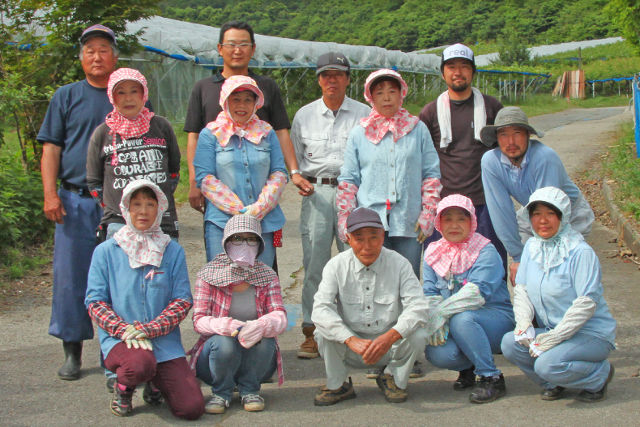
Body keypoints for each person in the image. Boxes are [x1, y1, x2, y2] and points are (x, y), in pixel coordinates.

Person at [37, 24, 118, 380]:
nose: (97, 56)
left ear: (114, 56)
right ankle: (72, 349)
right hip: (74, 200)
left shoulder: (128, 94)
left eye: (103, 49)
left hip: (118, 202)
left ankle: (112, 348)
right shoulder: (66, 95)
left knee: (118, 275)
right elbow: (51, 148)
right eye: (90, 50)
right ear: (81, 58)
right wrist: (50, 193)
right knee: (72, 277)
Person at [85, 180, 204, 419]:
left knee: (191, 408)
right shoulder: (106, 251)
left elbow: (182, 300)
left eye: (150, 204)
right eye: (136, 204)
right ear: (126, 208)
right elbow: (95, 301)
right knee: (140, 364)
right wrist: (123, 329)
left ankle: (156, 383)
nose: (143, 211)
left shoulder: (171, 250)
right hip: (122, 339)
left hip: (163, 342)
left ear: (159, 208)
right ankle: (124, 389)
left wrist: (149, 329)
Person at [501, 187, 616, 402]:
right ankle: (554, 382)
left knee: (547, 364)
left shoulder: (580, 252)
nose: (543, 220)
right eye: (536, 214)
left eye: (550, 214)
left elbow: (586, 303)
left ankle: (598, 376)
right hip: (552, 329)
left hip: (589, 334)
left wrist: (555, 337)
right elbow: (522, 289)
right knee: (510, 343)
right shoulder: (533, 247)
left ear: (562, 216)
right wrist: (524, 323)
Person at [290, 51, 370, 359]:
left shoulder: (364, 113)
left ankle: (360, 327)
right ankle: (313, 329)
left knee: (358, 261)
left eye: (338, 74)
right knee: (315, 264)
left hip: (356, 194)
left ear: (349, 79)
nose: (331, 80)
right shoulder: (304, 115)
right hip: (318, 193)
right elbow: (295, 158)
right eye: (325, 74)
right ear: (319, 79)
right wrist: (296, 177)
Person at [312, 207, 430, 406]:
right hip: (351, 346)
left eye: (373, 237)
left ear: (383, 237)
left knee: (419, 332)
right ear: (348, 239)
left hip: (389, 345)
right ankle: (338, 384)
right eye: (359, 238)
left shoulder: (400, 264)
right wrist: (349, 339)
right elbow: (320, 309)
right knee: (322, 332)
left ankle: (392, 377)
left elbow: (418, 306)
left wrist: (390, 336)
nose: (367, 246)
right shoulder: (336, 265)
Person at [337, 68, 442, 277]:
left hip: (409, 221)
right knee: (371, 280)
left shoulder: (417, 129)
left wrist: (428, 213)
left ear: (401, 93)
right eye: (379, 92)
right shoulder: (360, 133)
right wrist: (345, 219)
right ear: (370, 97)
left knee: (407, 278)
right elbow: (348, 181)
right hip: (370, 223)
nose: (386, 98)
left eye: (392, 91)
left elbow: (431, 174)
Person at [184, 20, 297, 213]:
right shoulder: (203, 88)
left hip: (262, 192)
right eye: (231, 44)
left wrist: (294, 172)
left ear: (253, 49)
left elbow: (280, 131)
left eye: (244, 45)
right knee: (219, 239)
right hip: (219, 191)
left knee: (265, 238)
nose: (237, 50)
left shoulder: (266, 86)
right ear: (220, 48)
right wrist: (195, 181)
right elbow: (193, 136)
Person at [480, 106, 594, 284]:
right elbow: (501, 211)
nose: (511, 141)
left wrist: (534, 262)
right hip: (531, 213)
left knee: (558, 277)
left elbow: (547, 213)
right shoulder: (491, 161)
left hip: (568, 215)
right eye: (503, 134)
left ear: (528, 135)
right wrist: (518, 257)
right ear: (496, 138)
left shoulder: (544, 157)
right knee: (528, 278)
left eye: (517, 133)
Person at [419, 43, 506, 268]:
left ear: (473, 71)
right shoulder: (430, 112)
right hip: (445, 206)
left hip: (485, 204)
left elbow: (506, 151)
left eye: (464, 66)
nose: (458, 72)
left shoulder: (491, 107)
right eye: (451, 67)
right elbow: (419, 160)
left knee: (490, 267)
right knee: (443, 270)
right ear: (443, 72)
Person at [190, 214, 287, 414]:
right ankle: (221, 392)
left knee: (267, 339)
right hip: (215, 358)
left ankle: (250, 389)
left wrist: (261, 325)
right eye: (237, 238)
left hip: (256, 359)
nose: (244, 244)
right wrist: (225, 326)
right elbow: (198, 320)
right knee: (224, 342)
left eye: (250, 239)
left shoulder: (267, 275)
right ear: (226, 242)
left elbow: (280, 315)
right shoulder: (208, 274)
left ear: (259, 244)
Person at [422, 195, 514, 403]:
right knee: (437, 352)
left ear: (472, 221)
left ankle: (491, 376)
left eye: (461, 219)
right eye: (448, 219)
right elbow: (430, 292)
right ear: (439, 223)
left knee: (462, 319)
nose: (454, 225)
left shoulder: (486, 251)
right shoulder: (433, 251)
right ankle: (468, 368)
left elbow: (475, 295)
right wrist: (433, 317)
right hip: (454, 320)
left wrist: (439, 314)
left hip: (493, 320)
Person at [193, 75, 287, 265]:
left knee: (261, 283)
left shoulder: (267, 132)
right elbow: (205, 178)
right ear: (225, 101)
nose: (241, 106)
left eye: (247, 100)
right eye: (235, 99)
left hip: (263, 221)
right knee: (223, 283)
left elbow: (279, 172)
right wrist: (240, 211)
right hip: (222, 222)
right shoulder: (210, 133)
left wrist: (258, 209)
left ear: (256, 102)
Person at [86, 67, 180, 239]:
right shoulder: (102, 133)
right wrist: (116, 208)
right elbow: (94, 182)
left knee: (163, 266)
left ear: (143, 94)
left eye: (134, 91)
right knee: (122, 266)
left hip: (161, 221)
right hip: (118, 223)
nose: (128, 98)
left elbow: (173, 173)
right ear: (112, 97)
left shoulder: (161, 127)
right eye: (121, 92)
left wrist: (155, 203)